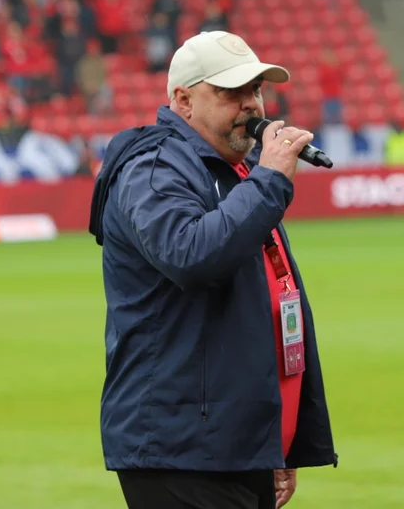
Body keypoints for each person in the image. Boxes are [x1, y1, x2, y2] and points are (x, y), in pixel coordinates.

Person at [89, 31, 337, 509]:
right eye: (230, 93)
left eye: (255, 90)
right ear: (183, 99)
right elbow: (192, 255)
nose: (250, 105)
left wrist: (274, 437)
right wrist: (269, 181)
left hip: (229, 444)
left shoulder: (232, 169)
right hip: (181, 449)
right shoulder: (155, 167)